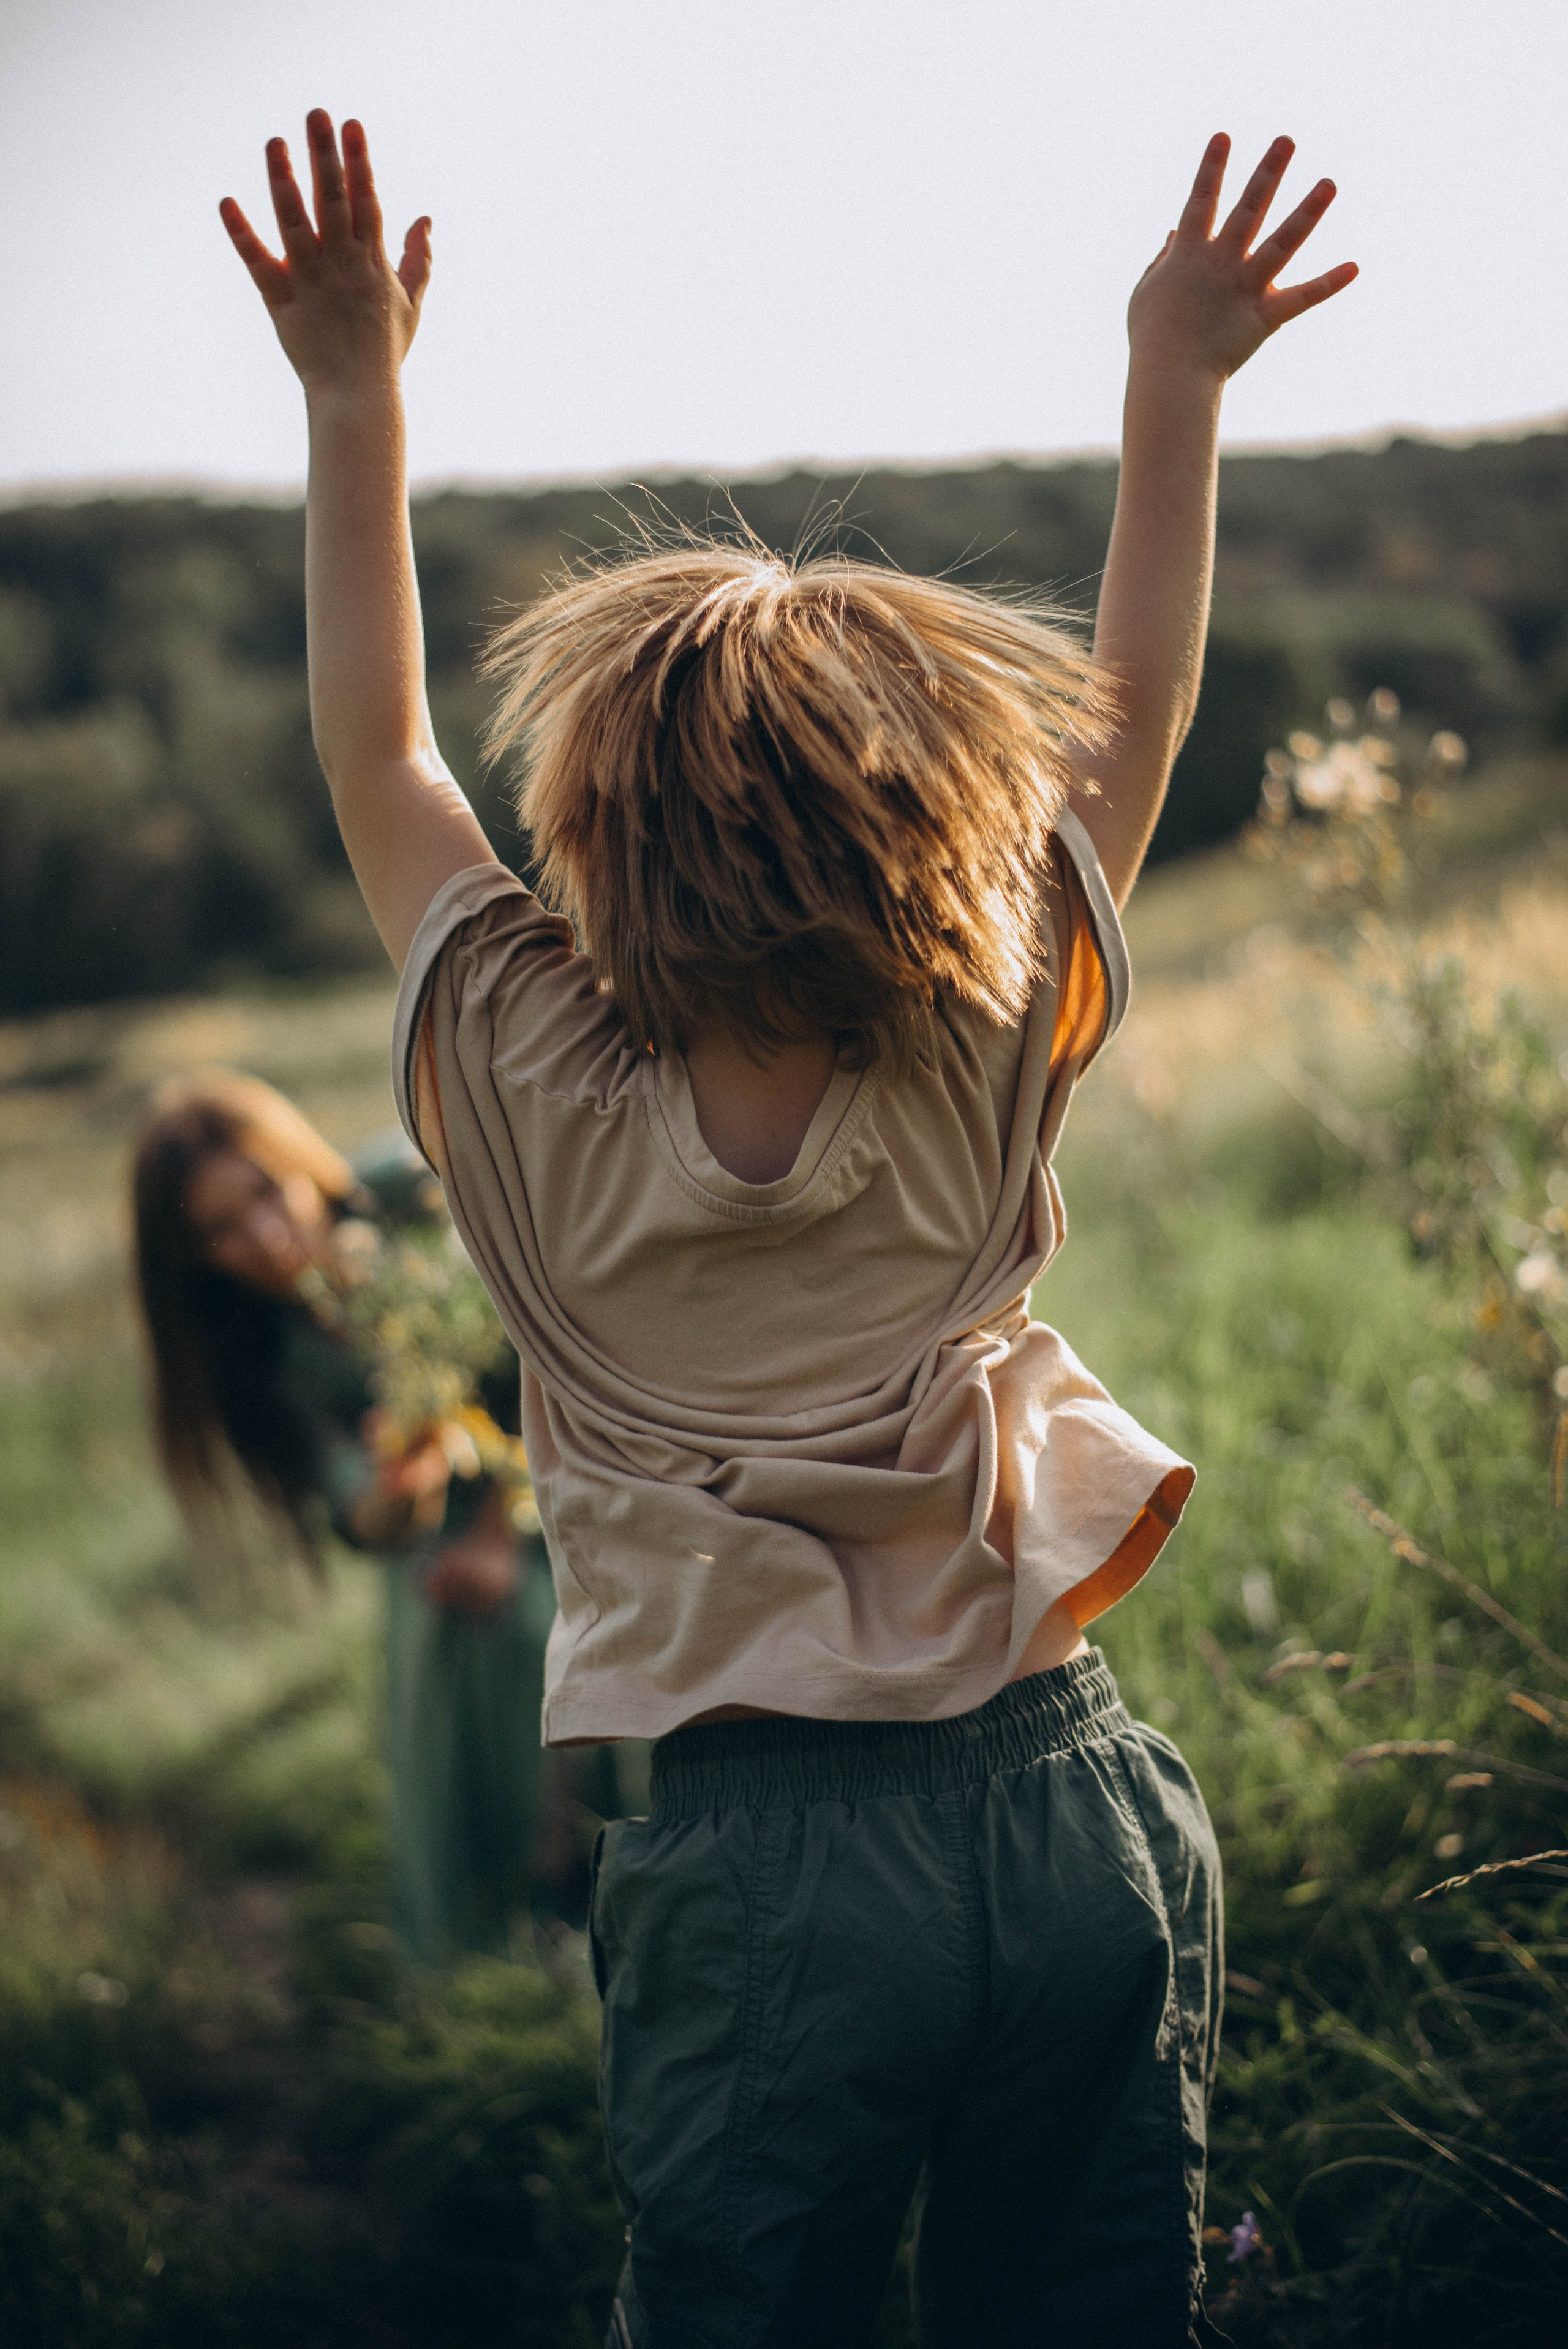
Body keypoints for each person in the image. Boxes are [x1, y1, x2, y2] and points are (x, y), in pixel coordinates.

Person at [220, 113, 1354, 2344]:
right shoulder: (974, 1045)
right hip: (1078, 1806)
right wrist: (1177, 376)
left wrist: (354, 394)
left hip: (760, 1856)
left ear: (602, 837)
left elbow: (378, 756)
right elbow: (1135, 718)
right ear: (949, 827)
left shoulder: (537, 1097)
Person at [132, 1070, 606, 1959]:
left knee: (538, 1612)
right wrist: (403, 1493)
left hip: (585, 1485)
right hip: (443, 1554)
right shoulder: (251, 1352)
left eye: (268, 1194)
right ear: (190, 1258)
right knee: (460, 1614)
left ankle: (595, 1887)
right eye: (218, 1233)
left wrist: (498, 1525)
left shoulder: (415, 1192)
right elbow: (354, 1509)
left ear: (299, 1160)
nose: (266, 1240)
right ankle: (506, 1935)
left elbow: (565, 1327)